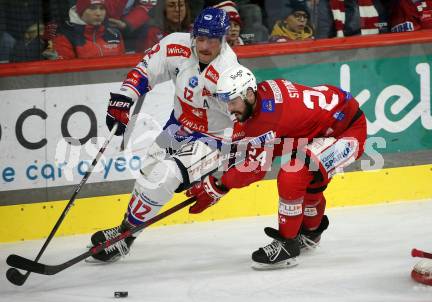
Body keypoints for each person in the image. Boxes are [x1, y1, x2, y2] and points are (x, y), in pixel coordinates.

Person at [89, 7, 241, 262]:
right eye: (200, 38)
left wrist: (223, 178)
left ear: (224, 38)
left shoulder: (230, 73)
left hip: (214, 139)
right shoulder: (176, 45)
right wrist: (124, 99)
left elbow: (246, 124)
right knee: (149, 173)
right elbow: (145, 71)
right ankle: (126, 235)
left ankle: (124, 236)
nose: (204, 46)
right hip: (178, 126)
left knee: (163, 176)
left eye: (212, 40)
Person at [185, 64, 367, 270]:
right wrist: (220, 179)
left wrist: (220, 184)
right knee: (309, 183)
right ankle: (311, 233)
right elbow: (247, 147)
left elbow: (254, 169)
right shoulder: (262, 96)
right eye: (227, 102)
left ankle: (287, 245)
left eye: (233, 101)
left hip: (348, 132)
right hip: (322, 125)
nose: (230, 108)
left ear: (249, 94)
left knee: (293, 175)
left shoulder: (266, 121)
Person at [52, 0, 125, 59]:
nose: (98, 13)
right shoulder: (65, 36)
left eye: (102, 8)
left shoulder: (114, 34)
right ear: (81, 12)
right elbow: (66, 73)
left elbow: (123, 65)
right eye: (92, 8)